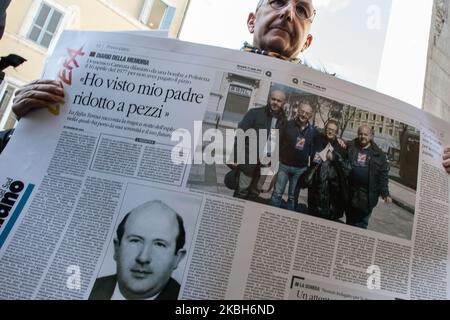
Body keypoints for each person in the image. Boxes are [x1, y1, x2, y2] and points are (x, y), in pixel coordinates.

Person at [4, 0, 450, 167]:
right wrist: (26, 121)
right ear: (253, 18)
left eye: (302, 9)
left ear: (307, 37)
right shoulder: (184, 66)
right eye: (277, 2)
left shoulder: (324, 95)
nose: (287, 14)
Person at [89, 200, 186, 300]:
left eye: (160, 244)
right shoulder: (89, 287)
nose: (143, 258)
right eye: (135, 241)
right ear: (117, 248)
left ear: (177, 258)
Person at [232, 88, 287, 200]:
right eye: (273, 99)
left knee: (255, 192)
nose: (275, 102)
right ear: (269, 99)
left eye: (279, 101)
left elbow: (281, 143)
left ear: (283, 103)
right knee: (242, 190)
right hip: (249, 160)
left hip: (266, 163)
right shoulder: (255, 113)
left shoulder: (284, 121)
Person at [270, 100, 315, 210]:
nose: (303, 115)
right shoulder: (287, 124)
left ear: (310, 115)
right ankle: (270, 214)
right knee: (277, 193)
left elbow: (321, 144)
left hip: (300, 170)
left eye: (307, 113)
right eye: (302, 111)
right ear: (298, 111)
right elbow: (277, 141)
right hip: (284, 166)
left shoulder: (313, 131)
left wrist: (340, 140)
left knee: (292, 197)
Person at [346, 125, 391, 229]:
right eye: (360, 134)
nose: (362, 136)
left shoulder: (379, 155)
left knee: (361, 224)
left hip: (368, 196)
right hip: (351, 193)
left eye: (365, 134)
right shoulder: (351, 147)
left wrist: (385, 193)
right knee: (349, 222)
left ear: (370, 136)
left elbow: (383, 175)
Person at [305, 119, 350, 221]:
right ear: (325, 129)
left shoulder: (340, 147)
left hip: (331, 189)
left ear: (336, 132)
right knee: (312, 215)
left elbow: (345, 168)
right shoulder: (317, 140)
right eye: (329, 129)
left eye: (333, 130)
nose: (330, 132)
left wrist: (334, 157)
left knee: (327, 216)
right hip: (315, 186)